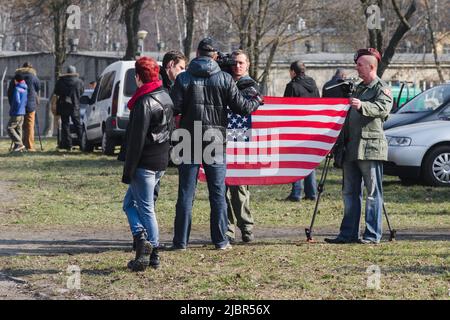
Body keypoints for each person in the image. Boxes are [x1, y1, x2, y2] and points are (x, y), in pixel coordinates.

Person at [170, 37, 262, 250]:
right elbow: (242, 108)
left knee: (185, 193)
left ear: (197, 53)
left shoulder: (184, 79)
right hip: (215, 138)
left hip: (188, 137)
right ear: (214, 56)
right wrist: (257, 99)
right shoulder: (224, 78)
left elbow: (173, 107)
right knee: (218, 192)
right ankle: (220, 240)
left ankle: (180, 242)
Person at [325, 48, 393, 245]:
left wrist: (362, 105)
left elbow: (383, 109)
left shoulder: (381, 88)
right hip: (351, 147)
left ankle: (372, 235)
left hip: (371, 147)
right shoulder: (357, 88)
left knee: (373, 193)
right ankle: (348, 234)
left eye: (360, 65)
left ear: (371, 67)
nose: (357, 68)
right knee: (349, 193)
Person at [121, 57, 174, 271]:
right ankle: (144, 241)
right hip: (160, 159)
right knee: (130, 205)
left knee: (145, 208)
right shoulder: (165, 96)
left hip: (145, 163)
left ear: (137, 77)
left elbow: (136, 141)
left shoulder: (144, 102)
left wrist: (128, 171)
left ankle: (152, 250)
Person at [226, 49, 260, 244]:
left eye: (241, 62)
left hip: (242, 141)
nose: (237, 66)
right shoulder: (223, 81)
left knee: (239, 189)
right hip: (222, 138)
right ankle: (227, 229)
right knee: (221, 188)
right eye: (234, 63)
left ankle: (246, 227)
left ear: (247, 64)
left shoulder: (252, 85)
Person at [284, 61, 319, 202]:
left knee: (296, 161)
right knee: (309, 160)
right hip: (311, 127)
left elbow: (286, 108)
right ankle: (311, 192)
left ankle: (296, 192)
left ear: (293, 71)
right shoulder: (313, 84)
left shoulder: (292, 86)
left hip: (296, 128)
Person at [7, 63, 40, 152]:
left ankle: (18, 146)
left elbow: (9, 92)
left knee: (17, 126)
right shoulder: (33, 77)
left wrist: (12, 105)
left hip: (17, 107)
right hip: (30, 105)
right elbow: (38, 88)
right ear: (31, 68)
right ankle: (29, 146)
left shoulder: (16, 77)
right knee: (29, 125)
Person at [53, 66, 84, 150]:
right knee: (78, 125)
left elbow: (56, 92)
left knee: (65, 125)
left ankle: (68, 145)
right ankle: (82, 144)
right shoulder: (79, 82)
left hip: (63, 105)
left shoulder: (60, 81)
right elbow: (81, 93)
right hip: (75, 106)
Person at [7, 74, 28, 152]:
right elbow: (25, 101)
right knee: (19, 129)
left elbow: (16, 101)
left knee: (9, 128)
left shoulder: (17, 89)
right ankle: (20, 149)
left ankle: (20, 144)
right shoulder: (25, 88)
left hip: (16, 112)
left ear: (16, 80)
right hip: (22, 112)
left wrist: (12, 111)